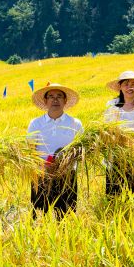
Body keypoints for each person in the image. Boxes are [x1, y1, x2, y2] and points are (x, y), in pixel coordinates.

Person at [27, 83, 83, 218]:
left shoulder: (75, 123)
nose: (55, 100)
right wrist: (42, 166)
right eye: (51, 96)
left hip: (67, 176)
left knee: (66, 217)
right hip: (42, 176)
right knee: (40, 216)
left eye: (59, 96)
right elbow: (29, 152)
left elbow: (81, 153)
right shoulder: (35, 123)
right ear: (45, 101)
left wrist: (65, 162)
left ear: (65, 101)